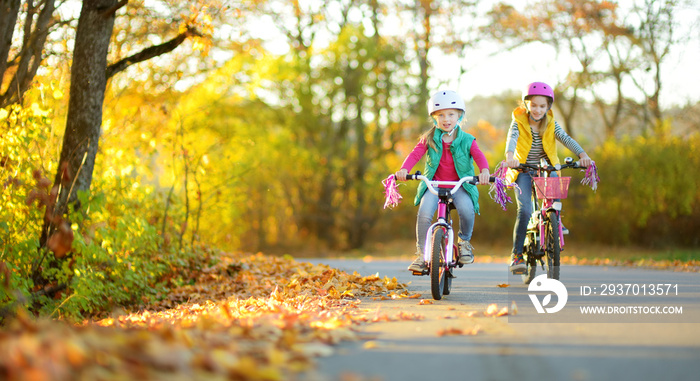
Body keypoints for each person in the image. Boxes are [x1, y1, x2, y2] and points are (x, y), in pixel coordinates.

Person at [395, 90, 491, 272]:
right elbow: (415, 154)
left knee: (467, 209)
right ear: (434, 117)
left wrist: (484, 171)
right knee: (424, 213)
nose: (446, 119)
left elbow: (479, 156)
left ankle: (464, 242)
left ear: (460, 116)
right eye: (441, 115)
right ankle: (422, 255)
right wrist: (404, 170)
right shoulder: (429, 139)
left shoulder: (467, 140)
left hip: (460, 185)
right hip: (434, 185)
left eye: (451, 114)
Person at [504, 81, 593, 274]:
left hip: (546, 167)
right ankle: (517, 255)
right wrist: (510, 157)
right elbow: (511, 137)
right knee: (525, 210)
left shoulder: (551, 122)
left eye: (542, 106)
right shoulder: (518, 121)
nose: (537, 110)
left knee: (554, 183)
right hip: (523, 169)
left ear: (548, 107)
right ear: (526, 104)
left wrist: (583, 155)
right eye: (534, 105)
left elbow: (565, 138)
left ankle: (555, 219)